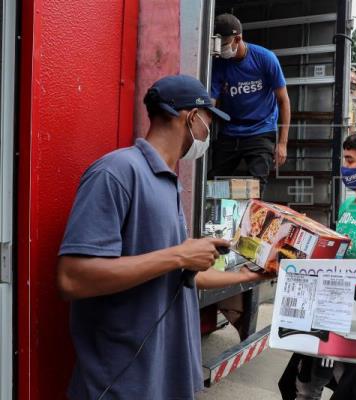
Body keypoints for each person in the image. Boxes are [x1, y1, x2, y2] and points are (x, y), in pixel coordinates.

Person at [57, 74, 269, 400]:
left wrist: (245, 275)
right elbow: (73, 279)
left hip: (162, 378)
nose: (208, 132)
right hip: (120, 384)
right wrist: (181, 254)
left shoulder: (168, 181)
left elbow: (173, 275)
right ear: (190, 116)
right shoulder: (116, 172)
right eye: (209, 121)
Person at [278, 131, 356, 400]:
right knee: (300, 388)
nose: (344, 168)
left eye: (349, 161)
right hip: (327, 315)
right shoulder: (348, 204)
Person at [209, 13, 291, 192]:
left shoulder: (265, 58)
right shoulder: (219, 64)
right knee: (212, 184)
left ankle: (248, 217)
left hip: (261, 130)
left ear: (238, 39)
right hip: (229, 131)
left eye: (224, 45)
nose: (221, 50)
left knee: (255, 186)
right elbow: (211, 102)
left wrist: (283, 144)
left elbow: (283, 100)